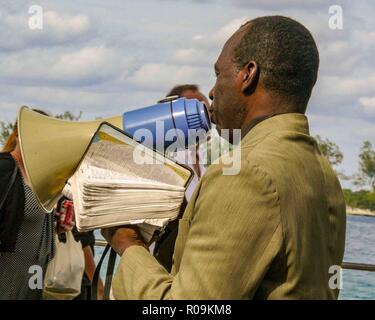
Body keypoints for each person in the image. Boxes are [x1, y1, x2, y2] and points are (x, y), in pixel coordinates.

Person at [102, 16, 347, 299]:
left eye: (219, 74)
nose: (213, 91)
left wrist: (128, 243)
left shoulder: (246, 173)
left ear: (248, 75)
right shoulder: (321, 171)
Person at [0, 109, 67, 299]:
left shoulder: (44, 178)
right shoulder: (5, 167)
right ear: (19, 135)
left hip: (31, 280)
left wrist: (59, 228)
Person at [153, 84, 209, 272]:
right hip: (161, 264)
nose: (207, 117)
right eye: (197, 110)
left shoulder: (203, 165)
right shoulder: (164, 157)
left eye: (207, 110)